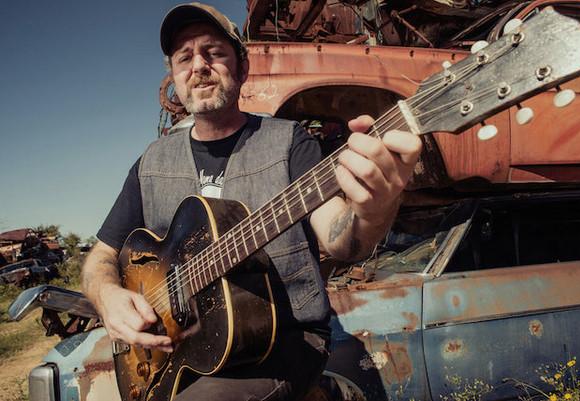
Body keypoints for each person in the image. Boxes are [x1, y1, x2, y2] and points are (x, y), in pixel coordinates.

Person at [81, 3, 422, 401]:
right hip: (186, 349)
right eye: (184, 58)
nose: (199, 66)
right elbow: (100, 256)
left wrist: (375, 208)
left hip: (280, 342)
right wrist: (107, 297)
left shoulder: (289, 142)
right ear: (174, 76)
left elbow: (341, 240)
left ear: (242, 68)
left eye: (213, 52)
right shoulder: (150, 164)